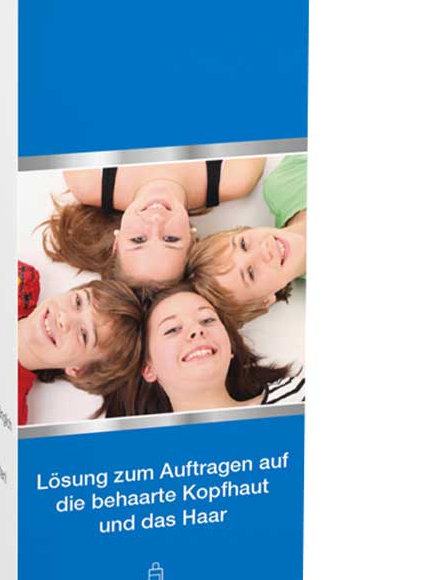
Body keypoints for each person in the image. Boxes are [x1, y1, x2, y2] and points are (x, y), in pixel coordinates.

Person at [40, 158, 265, 289]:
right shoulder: (235, 176)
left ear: (117, 241)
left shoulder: (88, 179)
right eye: (171, 239)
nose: (155, 221)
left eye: (138, 239)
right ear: (192, 238)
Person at [105, 285, 302, 417]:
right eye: (172, 329)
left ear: (230, 347)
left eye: (207, 320)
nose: (197, 330)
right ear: (149, 368)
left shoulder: (299, 398)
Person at [17, 261, 142, 425]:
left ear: (78, 370)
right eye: (78, 302)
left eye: (84, 335)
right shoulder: (22, 280)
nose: (64, 319)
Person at [187, 154, 306, 323]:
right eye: (250, 273)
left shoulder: (284, 184)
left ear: (241, 230)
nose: (263, 249)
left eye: (243, 244)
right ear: (266, 300)